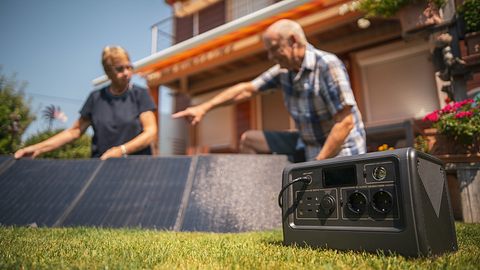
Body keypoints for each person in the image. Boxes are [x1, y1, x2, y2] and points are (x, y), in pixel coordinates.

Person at [173, 19, 365, 162]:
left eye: (274, 49)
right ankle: (254, 198)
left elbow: (345, 123)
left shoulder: (327, 66)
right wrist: (204, 107)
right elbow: (246, 90)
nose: (270, 56)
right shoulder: (284, 71)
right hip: (307, 143)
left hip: (342, 149)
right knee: (249, 140)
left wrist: (315, 165)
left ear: (293, 41)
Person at [14, 46, 157, 160]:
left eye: (129, 67)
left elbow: (150, 132)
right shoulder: (96, 98)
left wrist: (122, 150)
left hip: (137, 169)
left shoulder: (141, 95)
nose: (126, 73)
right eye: (120, 69)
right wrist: (37, 148)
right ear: (108, 72)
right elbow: (74, 132)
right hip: (101, 168)